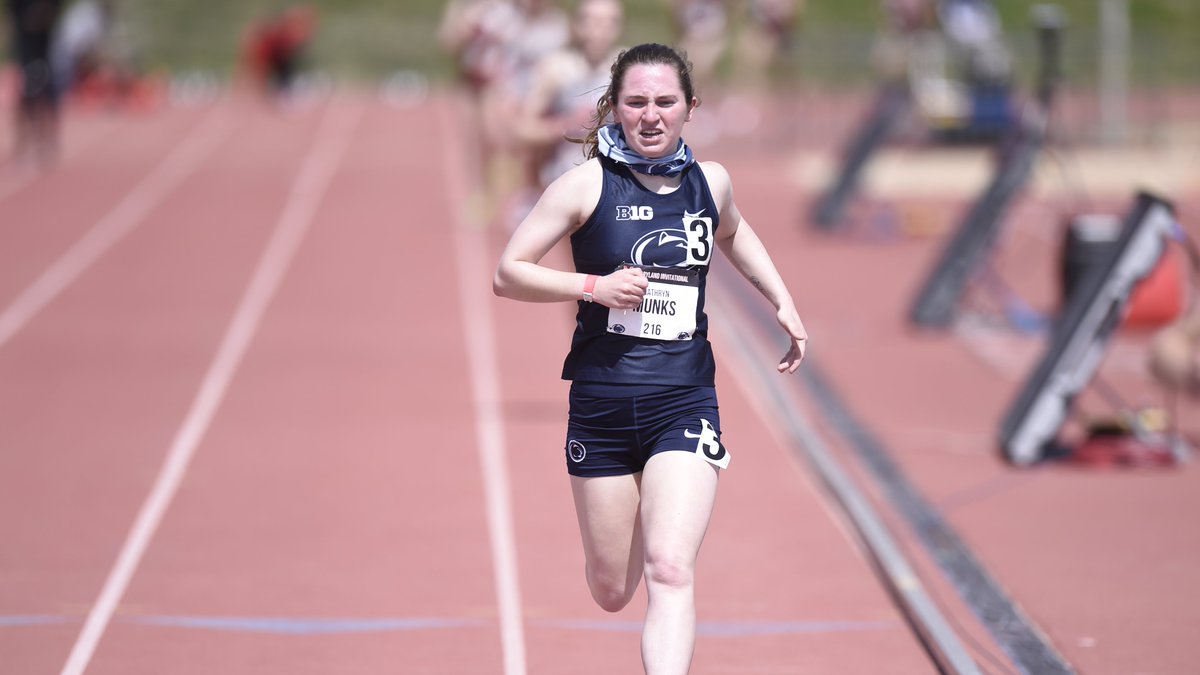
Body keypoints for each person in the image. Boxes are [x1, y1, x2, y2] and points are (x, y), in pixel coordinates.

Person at [493, 42, 808, 674]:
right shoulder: (585, 184)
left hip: (683, 400)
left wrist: (781, 299)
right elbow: (508, 272)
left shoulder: (708, 182)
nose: (651, 115)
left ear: (691, 107)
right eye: (636, 103)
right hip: (603, 406)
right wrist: (592, 286)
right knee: (612, 591)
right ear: (614, 108)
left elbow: (735, 231)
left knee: (670, 568)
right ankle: (631, 509)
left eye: (666, 102)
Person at [6, 0, 63, 166]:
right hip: (25, 52)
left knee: (47, 99)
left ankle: (45, 143)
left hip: (45, 52)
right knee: (23, 101)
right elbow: (18, 19)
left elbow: (51, 16)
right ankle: (22, 145)